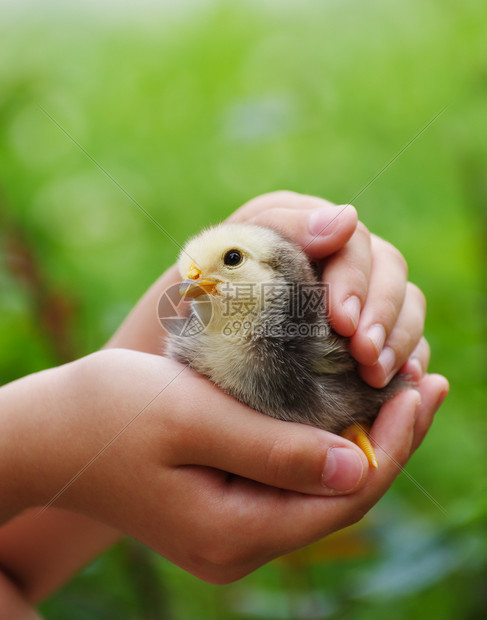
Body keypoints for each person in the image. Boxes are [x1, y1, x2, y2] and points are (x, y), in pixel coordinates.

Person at [0, 192, 448, 617]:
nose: (190, 282)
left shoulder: (310, 336)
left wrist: (64, 441)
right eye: (189, 272)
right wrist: (65, 429)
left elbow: (13, 569)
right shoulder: (197, 346)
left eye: (232, 260)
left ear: (279, 274)